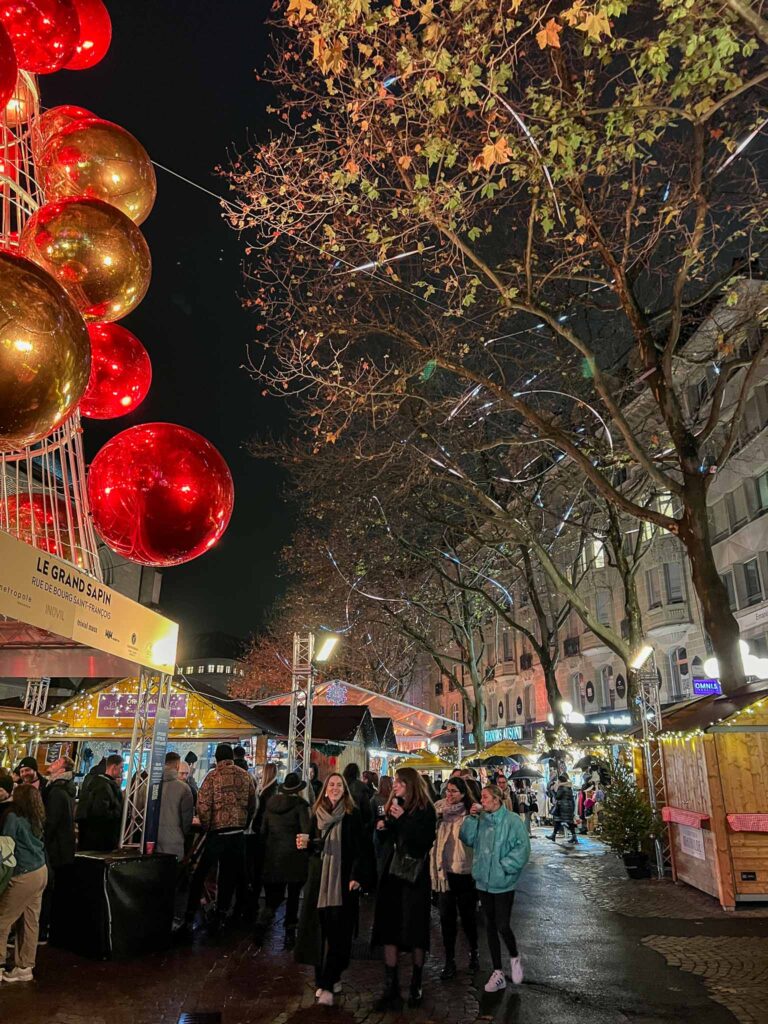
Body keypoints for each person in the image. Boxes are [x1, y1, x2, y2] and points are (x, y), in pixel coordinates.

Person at [295, 773, 365, 1006]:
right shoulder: (315, 815)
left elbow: (359, 848)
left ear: (344, 790)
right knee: (318, 931)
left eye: (339, 785)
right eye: (331, 784)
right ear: (325, 790)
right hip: (319, 879)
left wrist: (356, 876)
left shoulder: (352, 815)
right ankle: (322, 980)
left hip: (341, 880)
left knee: (338, 933)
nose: (335, 788)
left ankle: (329, 980)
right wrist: (304, 846)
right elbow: (311, 845)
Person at [371, 767, 437, 1011]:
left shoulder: (425, 810)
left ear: (410, 784)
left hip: (414, 877)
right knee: (389, 929)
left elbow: (422, 842)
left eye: (400, 782)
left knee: (415, 929)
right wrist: (383, 827)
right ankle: (391, 986)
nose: (395, 786)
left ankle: (416, 983)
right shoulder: (393, 805)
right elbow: (387, 840)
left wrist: (402, 820)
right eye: (395, 782)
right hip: (391, 876)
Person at [460, 784, 531, 993]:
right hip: (483, 881)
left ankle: (514, 956)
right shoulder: (480, 819)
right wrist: (471, 819)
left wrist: (504, 866)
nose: (482, 800)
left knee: (502, 924)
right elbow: (468, 839)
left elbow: (523, 847)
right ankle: (497, 971)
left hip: (503, 883)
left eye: (485, 797)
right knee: (490, 925)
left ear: (496, 799)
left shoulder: (512, 821)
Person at [183, 743, 256, 933]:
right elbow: (252, 803)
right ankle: (222, 912)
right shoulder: (245, 776)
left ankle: (190, 914)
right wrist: (243, 823)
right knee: (230, 875)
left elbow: (203, 806)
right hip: (238, 834)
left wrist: (208, 827)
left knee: (200, 873)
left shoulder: (212, 777)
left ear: (216, 758)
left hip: (217, 834)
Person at [253, 772, 310, 950]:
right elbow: (306, 830)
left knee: (272, 898)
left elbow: (263, 832)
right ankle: (289, 935)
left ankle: (261, 924)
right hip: (294, 858)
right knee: (293, 897)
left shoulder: (270, 805)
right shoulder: (300, 806)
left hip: (273, 857)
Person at [430, 777, 478, 980]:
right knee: (446, 919)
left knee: (468, 918)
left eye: (454, 791)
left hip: (465, 872)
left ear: (463, 794)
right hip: (443, 873)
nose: (449, 795)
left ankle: (474, 952)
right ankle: (449, 960)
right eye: (447, 791)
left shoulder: (470, 813)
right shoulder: (437, 810)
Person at [0, 785, 48, 982]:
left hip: (23, 874)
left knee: (2, 920)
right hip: (41, 871)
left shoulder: (13, 817)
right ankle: (25, 967)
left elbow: (6, 847)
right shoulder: (36, 817)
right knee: (30, 921)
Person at [40, 755, 77, 943]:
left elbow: (51, 822)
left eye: (55, 763)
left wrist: (41, 841)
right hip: (64, 848)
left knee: (47, 889)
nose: (51, 764)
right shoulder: (66, 789)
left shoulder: (56, 791)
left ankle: (42, 930)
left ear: (62, 770)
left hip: (54, 848)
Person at [76, 753, 124, 852]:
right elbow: (101, 811)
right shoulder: (104, 786)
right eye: (121, 767)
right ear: (114, 767)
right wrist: (117, 812)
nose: (122, 771)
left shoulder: (98, 782)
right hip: (101, 837)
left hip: (94, 836)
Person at [157, 752, 195, 860]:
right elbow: (186, 819)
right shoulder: (184, 789)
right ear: (177, 766)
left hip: (149, 840)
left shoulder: (147, 785)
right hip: (174, 841)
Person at [371, 775, 393, 880]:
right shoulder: (393, 798)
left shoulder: (375, 798)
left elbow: (371, 816)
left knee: (379, 859)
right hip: (391, 832)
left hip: (378, 832)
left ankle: (380, 880)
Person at [548, 774, 578, 844]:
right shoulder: (569, 788)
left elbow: (557, 797)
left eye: (558, 780)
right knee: (565, 821)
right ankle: (554, 835)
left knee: (559, 821)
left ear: (560, 781)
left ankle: (554, 835)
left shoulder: (561, 787)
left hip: (562, 807)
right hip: (568, 807)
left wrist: (552, 791)